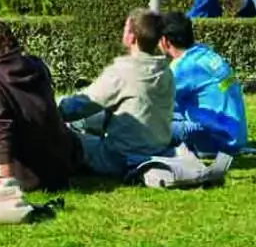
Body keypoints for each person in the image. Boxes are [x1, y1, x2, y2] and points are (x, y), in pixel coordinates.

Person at [0, 21, 82, 190]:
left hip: (26, 171)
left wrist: (7, 183)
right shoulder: (36, 64)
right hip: (61, 163)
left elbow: (0, 130)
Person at [59, 9, 175, 177]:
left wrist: (50, 107)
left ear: (132, 36)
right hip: (158, 149)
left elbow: (79, 107)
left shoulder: (123, 72)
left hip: (119, 158)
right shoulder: (166, 71)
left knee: (63, 137)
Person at [158, 12, 247, 155]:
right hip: (235, 135)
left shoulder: (183, 67)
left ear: (165, 41)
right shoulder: (203, 52)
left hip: (219, 142)